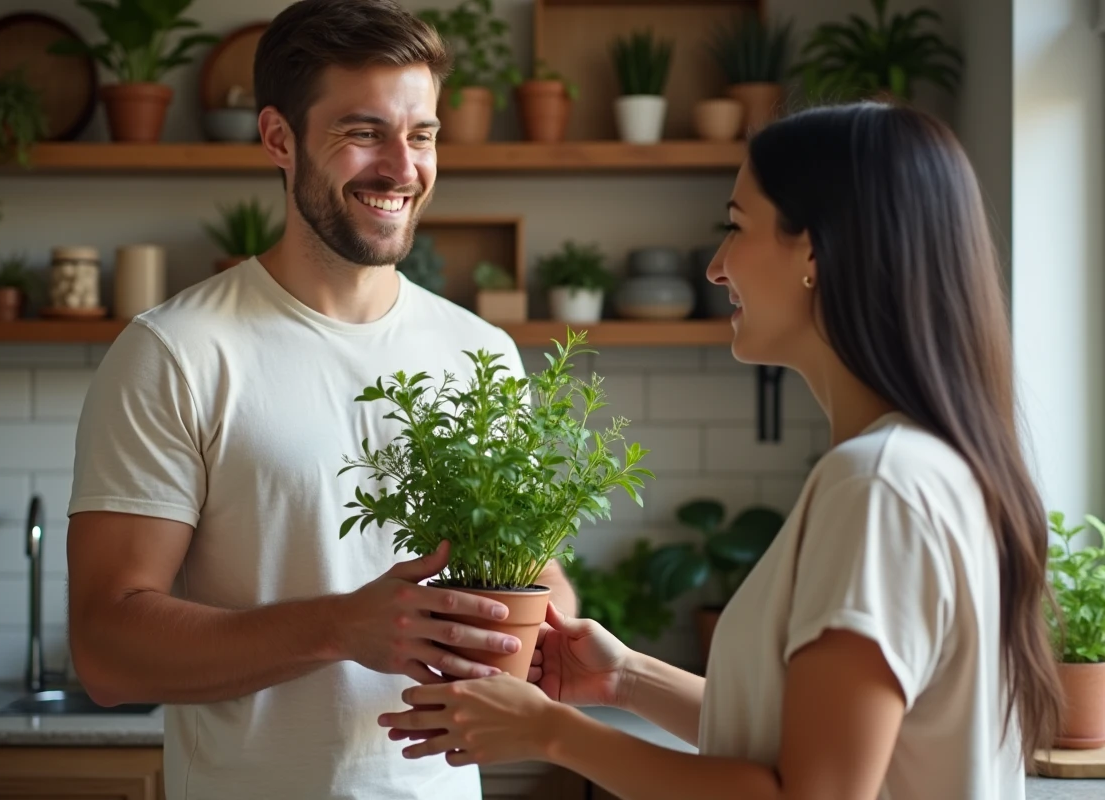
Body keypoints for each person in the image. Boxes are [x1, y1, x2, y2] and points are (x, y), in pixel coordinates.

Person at [379, 102, 1065, 800]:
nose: (714, 267)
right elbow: (815, 746)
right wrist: (627, 680)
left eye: (735, 228)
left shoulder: (879, 485)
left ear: (815, 252)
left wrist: (551, 733)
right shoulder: (928, 467)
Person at [63, 2, 576, 799]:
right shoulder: (178, 353)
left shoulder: (480, 354)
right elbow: (105, 651)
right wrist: (341, 626)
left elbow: (533, 575)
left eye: (423, 134)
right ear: (278, 138)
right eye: (363, 133)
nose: (402, 168)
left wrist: (549, 628)